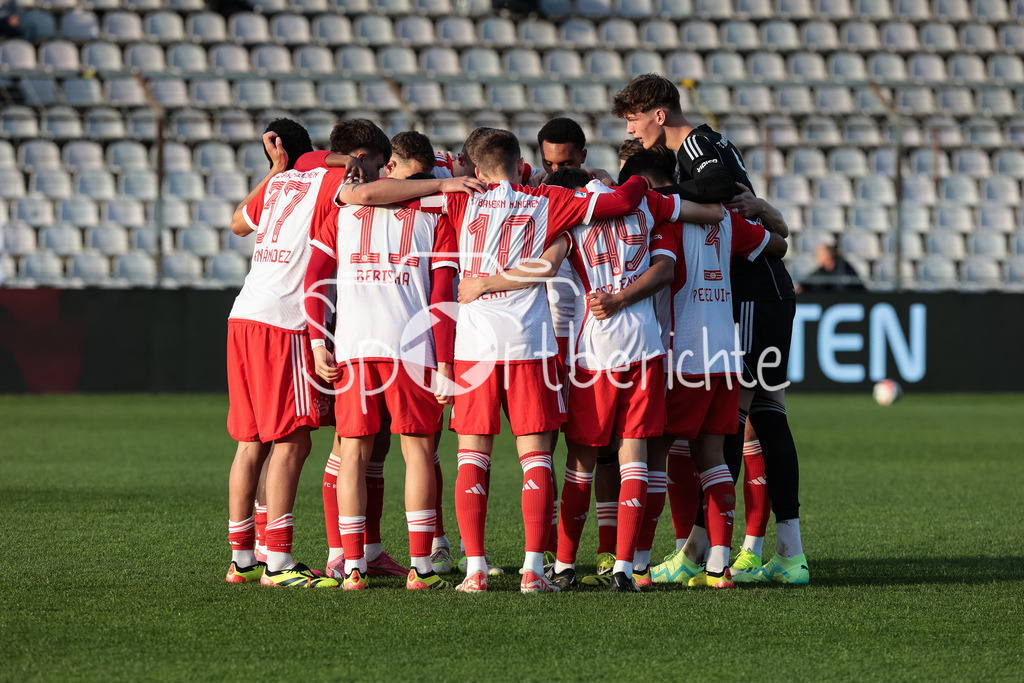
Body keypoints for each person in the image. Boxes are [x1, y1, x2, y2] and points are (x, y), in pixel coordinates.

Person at [413, 128, 650, 593]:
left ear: (476, 170)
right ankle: (533, 571)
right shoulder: (546, 200)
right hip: (532, 345)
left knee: (472, 456)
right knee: (536, 456)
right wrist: (632, 175)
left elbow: (378, 195)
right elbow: (622, 204)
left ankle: (475, 570)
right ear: (521, 163)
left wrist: (442, 184)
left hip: (475, 348)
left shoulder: (460, 201)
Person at [614, 74, 809, 584]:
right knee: (747, 421)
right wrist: (771, 217)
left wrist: (659, 197)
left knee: (752, 417)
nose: (632, 131)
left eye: (635, 119)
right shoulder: (704, 146)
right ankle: (728, 548)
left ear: (660, 114)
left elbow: (721, 190)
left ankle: (763, 551)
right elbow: (755, 213)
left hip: (752, 292)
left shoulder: (697, 142)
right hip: (753, 289)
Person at [304, 131, 471, 591]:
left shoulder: (344, 208)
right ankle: (421, 566)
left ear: (390, 165)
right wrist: (444, 363)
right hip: (411, 349)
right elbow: (441, 297)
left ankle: (352, 566)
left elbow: (315, 279)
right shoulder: (437, 213)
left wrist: (320, 343)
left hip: (355, 346)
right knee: (417, 451)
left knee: (352, 453)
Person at [224, 119, 340, 589]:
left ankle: (243, 558)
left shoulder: (276, 185)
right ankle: (279, 562)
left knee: (251, 442)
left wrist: (274, 169)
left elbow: (236, 224)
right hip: (283, 322)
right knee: (294, 438)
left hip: (243, 314)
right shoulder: (323, 177)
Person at [798, 242, 866, 292]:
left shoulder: (843, 268)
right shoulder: (821, 270)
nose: (817, 258)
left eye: (819, 255)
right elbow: (809, 282)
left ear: (827, 256)